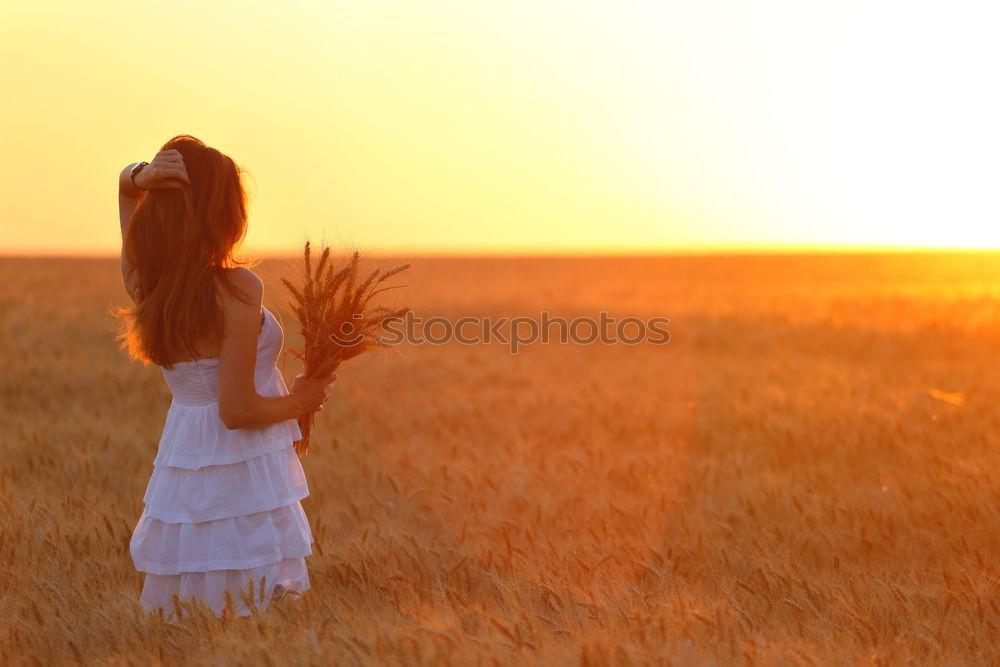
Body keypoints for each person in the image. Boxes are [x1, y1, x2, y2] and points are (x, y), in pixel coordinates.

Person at [115, 135, 334, 619]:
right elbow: (237, 410)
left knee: (190, 609)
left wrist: (137, 178)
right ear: (225, 214)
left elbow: (124, 196)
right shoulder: (236, 287)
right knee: (251, 608)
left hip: (186, 463)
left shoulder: (149, 284)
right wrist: (303, 400)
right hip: (240, 471)